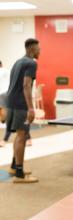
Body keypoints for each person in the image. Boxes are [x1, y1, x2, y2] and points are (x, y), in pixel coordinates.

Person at [6, 38, 40, 183]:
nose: (40, 51)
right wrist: (31, 108)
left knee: (20, 135)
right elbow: (26, 85)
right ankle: (19, 174)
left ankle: (15, 166)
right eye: (39, 49)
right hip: (20, 104)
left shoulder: (18, 61)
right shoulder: (31, 63)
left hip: (10, 102)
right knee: (22, 135)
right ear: (32, 49)